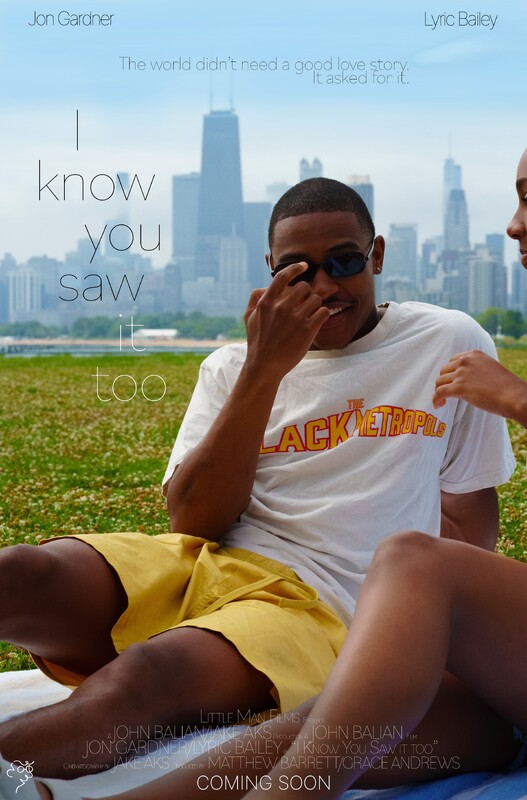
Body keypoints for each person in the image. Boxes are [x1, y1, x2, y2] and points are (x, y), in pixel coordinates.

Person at [0, 178, 514, 791]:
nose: (324, 287)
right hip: (207, 561)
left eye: (343, 262)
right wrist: (264, 368)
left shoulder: (448, 342)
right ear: (270, 270)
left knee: (144, 677)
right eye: (298, 271)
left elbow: (469, 524)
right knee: (21, 572)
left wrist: (394, 634)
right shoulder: (230, 366)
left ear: (376, 256)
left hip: (319, 604)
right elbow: (193, 521)